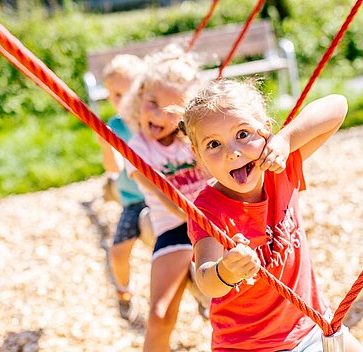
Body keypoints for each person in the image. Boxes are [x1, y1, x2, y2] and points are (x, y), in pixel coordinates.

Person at [182, 79, 363, 351]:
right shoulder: (209, 208)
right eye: (213, 144)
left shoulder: (281, 169)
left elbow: (337, 107)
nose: (233, 152)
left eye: (243, 134)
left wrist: (286, 139)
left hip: (312, 322)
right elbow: (206, 280)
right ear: (198, 155)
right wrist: (226, 271)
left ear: (266, 131)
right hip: (250, 345)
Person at [122, 45, 209, 352]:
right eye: (152, 103)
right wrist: (204, 218)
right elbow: (169, 200)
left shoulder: (196, 138)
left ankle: (207, 297)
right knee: (160, 315)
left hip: (215, 224)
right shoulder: (137, 149)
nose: (158, 115)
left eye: (171, 110)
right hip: (176, 227)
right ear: (140, 96)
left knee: (226, 299)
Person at [97, 54, 153, 322]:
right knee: (117, 253)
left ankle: (203, 296)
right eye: (112, 94)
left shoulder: (154, 121)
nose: (117, 100)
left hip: (164, 197)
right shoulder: (116, 127)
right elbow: (113, 168)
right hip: (133, 201)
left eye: (124, 93)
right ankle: (124, 292)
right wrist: (105, 143)